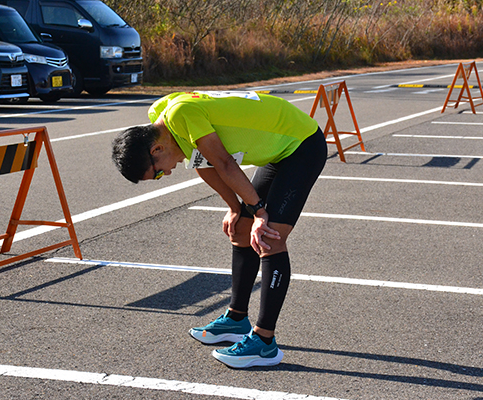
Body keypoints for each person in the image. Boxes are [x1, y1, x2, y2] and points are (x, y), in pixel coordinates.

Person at [111, 91, 327, 368]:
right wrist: (236, 207)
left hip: (301, 145)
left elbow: (224, 162)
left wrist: (260, 211)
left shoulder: (180, 115)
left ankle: (264, 343)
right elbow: (205, 162)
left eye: (157, 173)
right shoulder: (162, 118)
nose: (165, 175)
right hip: (279, 149)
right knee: (241, 230)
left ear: (156, 150)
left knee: (270, 237)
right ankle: (237, 319)